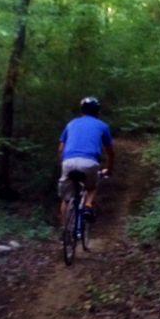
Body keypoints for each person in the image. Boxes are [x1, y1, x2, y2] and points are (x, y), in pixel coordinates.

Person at [58, 96, 114, 225]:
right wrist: (109, 169)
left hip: (68, 162)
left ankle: (65, 233)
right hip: (90, 163)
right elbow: (110, 152)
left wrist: (64, 164)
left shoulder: (71, 124)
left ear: (81, 110)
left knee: (66, 199)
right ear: (97, 112)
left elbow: (61, 149)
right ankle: (88, 206)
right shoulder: (102, 126)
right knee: (91, 188)